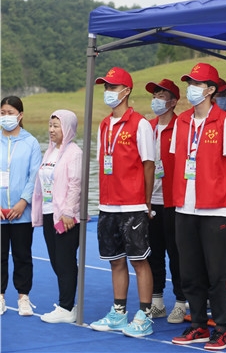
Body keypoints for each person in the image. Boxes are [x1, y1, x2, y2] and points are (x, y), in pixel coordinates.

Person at [169, 62, 226, 350]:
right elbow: (177, 160)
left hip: (214, 209)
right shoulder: (182, 121)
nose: (191, 89)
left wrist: (223, 194)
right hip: (184, 206)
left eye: (197, 84)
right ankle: (198, 324)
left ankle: (222, 328)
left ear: (211, 90)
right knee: (190, 271)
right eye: (189, 83)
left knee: (217, 272)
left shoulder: (224, 122)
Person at [90, 67, 156, 338]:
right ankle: (118, 312)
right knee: (115, 261)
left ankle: (145, 315)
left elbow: (149, 165)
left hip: (132, 205)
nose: (108, 92)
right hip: (107, 205)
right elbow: (102, 162)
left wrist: (146, 202)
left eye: (112, 87)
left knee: (139, 261)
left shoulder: (140, 124)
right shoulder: (104, 125)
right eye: (105, 87)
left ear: (126, 91)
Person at [32, 110, 82, 323]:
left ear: (67, 128)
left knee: (65, 261)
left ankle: (66, 307)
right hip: (48, 212)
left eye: (56, 126)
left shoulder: (74, 152)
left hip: (65, 216)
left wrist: (68, 212)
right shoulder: (50, 151)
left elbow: (75, 184)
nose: (51, 130)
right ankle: (68, 302)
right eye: (50, 125)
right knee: (55, 260)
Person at [144, 79, 187, 323]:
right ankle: (157, 301)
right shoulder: (147, 127)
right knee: (153, 253)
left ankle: (181, 302)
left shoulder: (182, 126)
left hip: (173, 201)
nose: (157, 100)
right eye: (155, 95)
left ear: (173, 102)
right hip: (151, 200)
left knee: (177, 254)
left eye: (161, 96)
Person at [0, 96, 42, 316]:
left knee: (22, 255)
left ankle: (23, 296)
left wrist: (23, 201)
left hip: (22, 213)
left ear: (20, 115)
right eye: (2, 113)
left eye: (10, 113)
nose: (6, 117)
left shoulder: (30, 142)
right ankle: (0, 296)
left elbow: (34, 176)